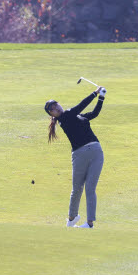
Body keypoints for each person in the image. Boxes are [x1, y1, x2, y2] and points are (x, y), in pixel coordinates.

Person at [45, 87, 106, 228]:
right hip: (79, 155)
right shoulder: (65, 118)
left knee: (90, 188)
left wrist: (101, 98)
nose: (57, 108)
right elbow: (80, 106)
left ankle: (89, 223)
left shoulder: (74, 116)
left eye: (56, 105)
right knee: (77, 188)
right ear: (52, 114)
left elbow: (94, 113)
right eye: (53, 109)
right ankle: (72, 218)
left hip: (96, 151)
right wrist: (94, 93)